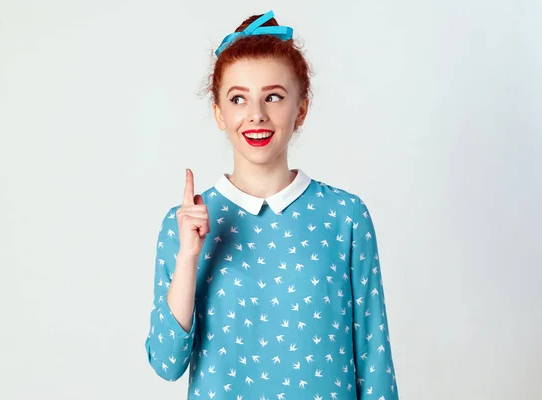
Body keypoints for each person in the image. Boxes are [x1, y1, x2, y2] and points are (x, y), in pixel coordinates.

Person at [145, 10, 399, 400]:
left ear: (301, 109)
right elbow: (166, 363)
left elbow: (374, 359)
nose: (256, 115)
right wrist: (187, 257)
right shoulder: (184, 226)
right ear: (218, 112)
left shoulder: (345, 216)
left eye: (274, 96)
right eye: (238, 98)